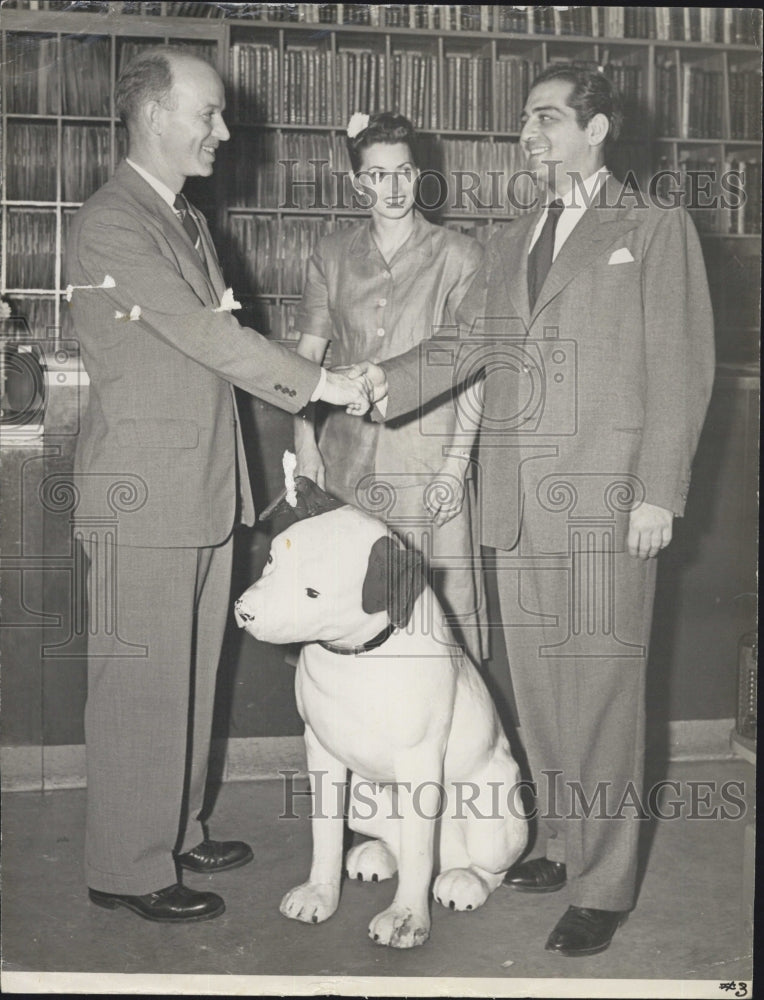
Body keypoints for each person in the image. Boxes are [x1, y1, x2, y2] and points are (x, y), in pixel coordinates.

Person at [348, 65, 715, 956]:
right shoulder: (514, 238)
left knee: (604, 699)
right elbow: (463, 345)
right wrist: (376, 385)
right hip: (517, 500)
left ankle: (605, 882)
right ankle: (558, 841)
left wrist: (661, 492)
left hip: (608, 503)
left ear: (597, 130)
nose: (529, 133)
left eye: (547, 118)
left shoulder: (654, 228)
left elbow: (681, 367)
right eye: (525, 120)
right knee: (547, 696)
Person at [65, 46, 364, 923]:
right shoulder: (116, 219)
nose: (223, 131)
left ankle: (177, 828)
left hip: (196, 487)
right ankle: (126, 864)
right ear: (155, 117)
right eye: (208, 114)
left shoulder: (183, 218)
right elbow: (209, 337)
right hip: (145, 492)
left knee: (190, 674)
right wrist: (325, 386)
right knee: (141, 682)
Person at [293, 112, 486, 663]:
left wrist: (456, 465)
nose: (395, 188)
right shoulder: (330, 255)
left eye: (404, 172)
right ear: (359, 183)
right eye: (378, 175)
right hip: (345, 463)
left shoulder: (460, 255)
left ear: (419, 174)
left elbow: (473, 367)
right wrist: (307, 449)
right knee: (349, 609)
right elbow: (307, 360)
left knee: (435, 628)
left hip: (430, 464)